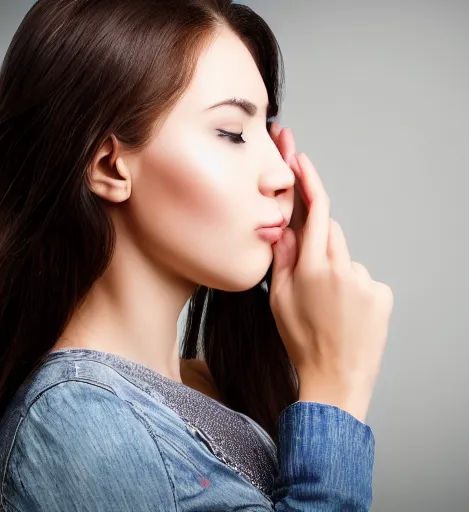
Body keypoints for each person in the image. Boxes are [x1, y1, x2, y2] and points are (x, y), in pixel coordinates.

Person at [0, 0, 394, 510]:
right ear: (111, 166)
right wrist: (336, 386)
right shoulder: (76, 416)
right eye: (231, 133)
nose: (280, 174)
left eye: (266, 133)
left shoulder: (202, 385)